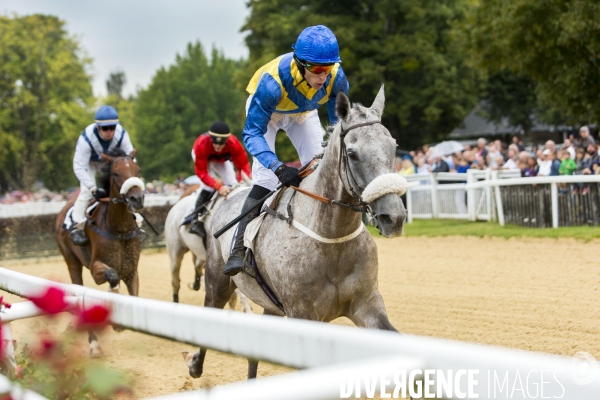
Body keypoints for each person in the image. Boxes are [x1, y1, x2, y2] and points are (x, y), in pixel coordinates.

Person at [222, 25, 350, 276]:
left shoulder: (336, 76)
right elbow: (251, 134)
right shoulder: (272, 83)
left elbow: (338, 122)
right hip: (267, 113)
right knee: (268, 179)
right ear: (300, 63)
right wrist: (278, 166)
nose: (323, 76)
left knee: (320, 167)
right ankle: (238, 247)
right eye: (316, 69)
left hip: (303, 112)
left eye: (328, 68)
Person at [69, 105, 134, 245]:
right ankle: (77, 226)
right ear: (98, 127)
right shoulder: (87, 138)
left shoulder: (122, 134)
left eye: (112, 127)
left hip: (111, 163)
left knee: (129, 190)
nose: (109, 132)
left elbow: (130, 159)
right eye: (105, 128)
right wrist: (93, 187)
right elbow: (79, 166)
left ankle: (137, 222)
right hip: (90, 164)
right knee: (86, 192)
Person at [187, 121, 251, 237]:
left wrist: (241, 181)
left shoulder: (234, 144)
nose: (217, 146)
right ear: (211, 139)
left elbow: (243, 166)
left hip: (221, 160)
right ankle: (195, 220)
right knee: (208, 187)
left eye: (220, 145)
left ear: (226, 141)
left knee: (233, 183)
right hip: (203, 157)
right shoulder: (202, 144)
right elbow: (201, 173)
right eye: (215, 144)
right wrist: (218, 187)